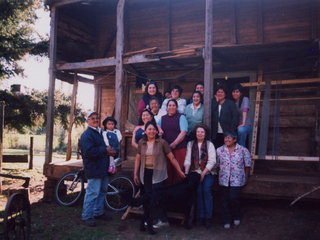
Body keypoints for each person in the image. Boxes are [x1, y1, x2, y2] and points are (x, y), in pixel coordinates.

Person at [134, 121, 186, 228]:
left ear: (157, 131)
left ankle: (163, 220)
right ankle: (152, 219)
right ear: (145, 131)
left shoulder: (162, 142)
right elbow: (138, 158)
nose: (152, 131)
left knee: (157, 198)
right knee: (148, 198)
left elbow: (171, 158)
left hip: (157, 173)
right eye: (149, 129)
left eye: (154, 129)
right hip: (145, 173)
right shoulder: (141, 143)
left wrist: (180, 171)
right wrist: (135, 174)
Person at [79, 110, 117, 227]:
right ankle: (86, 216)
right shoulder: (87, 135)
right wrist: (105, 150)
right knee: (92, 193)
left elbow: (106, 146)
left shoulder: (100, 132)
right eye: (92, 118)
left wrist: (112, 151)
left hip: (103, 168)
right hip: (94, 169)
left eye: (97, 117)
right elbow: (89, 152)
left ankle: (98, 212)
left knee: (102, 192)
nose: (96, 120)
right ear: (87, 121)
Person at [216, 131, 251, 229]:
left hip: (237, 179)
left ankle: (236, 216)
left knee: (233, 198)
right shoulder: (219, 150)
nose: (226, 140)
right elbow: (217, 164)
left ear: (235, 140)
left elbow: (247, 165)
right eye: (225, 138)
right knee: (224, 200)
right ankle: (226, 220)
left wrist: (246, 178)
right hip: (223, 179)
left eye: (229, 138)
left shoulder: (243, 150)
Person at [184, 124, 216, 229]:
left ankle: (208, 218)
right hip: (194, 173)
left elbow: (212, 161)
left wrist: (202, 174)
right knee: (198, 192)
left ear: (205, 133)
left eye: (202, 132)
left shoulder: (209, 144)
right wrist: (186, 173)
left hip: (207, 173)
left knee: (206, 191)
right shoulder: (190, 144)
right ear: (195, 133)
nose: (200, 134)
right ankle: (199, 217)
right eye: (198, 132)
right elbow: (188, 160)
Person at [158, 99, 188, 184]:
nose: (171, 107)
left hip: (179, 148)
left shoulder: (181, 117)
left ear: (177, 107)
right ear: (166, 108)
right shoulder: (162, 119)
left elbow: (184, 132)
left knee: (178, 171)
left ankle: (178, 194)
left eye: (173, 105)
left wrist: (174, 144)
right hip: (166, 150)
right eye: (169, 105)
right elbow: (159, 132)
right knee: (167, 171)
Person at [211, 84, 238, 149]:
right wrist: (217, 102)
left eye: (222, 92)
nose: (220, 94)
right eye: (218, 92)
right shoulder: (213, 103)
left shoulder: (230, 103)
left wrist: (232, 129)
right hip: (215, 133)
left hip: (227, 132)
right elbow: (210, 112)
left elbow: (235, 116)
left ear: (225, 94)